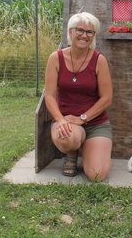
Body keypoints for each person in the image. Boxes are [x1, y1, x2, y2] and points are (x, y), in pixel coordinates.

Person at [44, 12, 113, 181]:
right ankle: (72, 152)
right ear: (70, 32)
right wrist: (60, 120)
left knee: (97, 175)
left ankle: (92, 150)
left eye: (90, 32)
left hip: (96, 123)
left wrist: (83, 118)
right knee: (68, 139)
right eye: (79, 30)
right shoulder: (56, 58)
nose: (84, 35)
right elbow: (50, 96)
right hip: (66, 121)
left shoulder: (99, 60)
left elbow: (107, 98)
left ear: (94, 36)